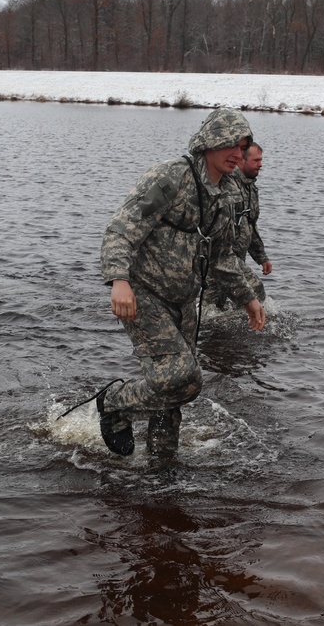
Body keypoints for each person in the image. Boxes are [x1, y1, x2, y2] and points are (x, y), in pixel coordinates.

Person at [96, 107, 266, 458]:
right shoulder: (171, 177)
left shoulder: (229, 193)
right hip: (144, 294)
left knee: (177, 389)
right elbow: (121, 229)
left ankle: (161, 464)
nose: (238, 154)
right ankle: (113, 402)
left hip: (186, 301)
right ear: (209, 144)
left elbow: (221, 257)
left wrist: (247, 297)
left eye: (243, 146)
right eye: (231, 146)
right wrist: (118, 280)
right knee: (182, 377)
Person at [203, 142, 273, 310]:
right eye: (256, 160)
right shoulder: (227, 185)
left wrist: (261, 257)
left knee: (216, 305)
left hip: (236, 258)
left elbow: (250, 224)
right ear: (241, 161)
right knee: (254, 290)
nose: (260, 164)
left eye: (261, 160)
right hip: (220, 256)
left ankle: (240, 326)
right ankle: (257, 324)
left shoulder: (250, 188)